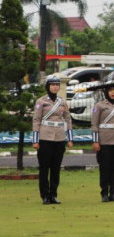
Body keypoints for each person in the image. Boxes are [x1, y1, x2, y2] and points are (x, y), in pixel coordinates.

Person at [32, 75, 73, 204]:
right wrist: (35, 140)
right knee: (44, 168)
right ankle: (44, 195)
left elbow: (68, 119)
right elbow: (36, 120)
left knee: (56, 168)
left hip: (59, 138)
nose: (55, 87)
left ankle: (53, 194)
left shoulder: (62, 102)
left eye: (57, 85)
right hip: (45, 137)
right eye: (52, 85)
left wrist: (70, 138)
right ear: (48, 86)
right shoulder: (41, 101)